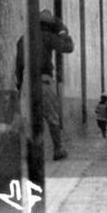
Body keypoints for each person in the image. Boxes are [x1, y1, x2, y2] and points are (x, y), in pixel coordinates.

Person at [16, 9, 74, 161]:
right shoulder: (48, 36)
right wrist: (62, 31)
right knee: (52, 118)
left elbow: (18, 67)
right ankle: (58, 149)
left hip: (27, 82)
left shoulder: (23, 39)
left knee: (28, 118)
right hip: (44, 80)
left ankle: (28, 152)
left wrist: (20, 87)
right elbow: (68, 47)